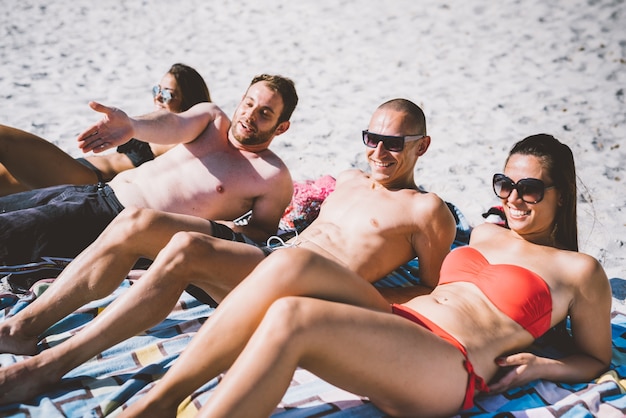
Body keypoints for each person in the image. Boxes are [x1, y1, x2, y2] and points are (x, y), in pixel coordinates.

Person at [116, 134, 610, 417]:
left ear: (560, 194)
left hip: (447, 362)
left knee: (294, 318)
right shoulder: (483, 231)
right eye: (505, 183)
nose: (513, 198)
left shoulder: (580, 270)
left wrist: (546, 368)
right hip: (398, 321)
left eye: (530, 188)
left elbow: (594, 357)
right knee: (293, 262)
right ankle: (163, 399)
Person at [0, 98, 458, 404]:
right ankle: (24, 326)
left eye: (393, 143)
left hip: (307, 284)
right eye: (371, 139)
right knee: (137, 221)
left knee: (186, 249)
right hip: (271, 258)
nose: (378, 151)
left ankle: (49, 365)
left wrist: (368, 301)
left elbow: (429, 288)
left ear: (423, 146)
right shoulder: (350, 178)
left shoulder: (427, 210)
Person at [0, 73, 298, 265]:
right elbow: (173, 124)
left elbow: (260, 232)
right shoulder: (212, 119)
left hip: (114, 223)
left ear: (281, 127)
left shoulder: (271, 176)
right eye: (248, 104)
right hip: (94, 193)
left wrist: (202, 231)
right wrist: (133, 125)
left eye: (264, 113)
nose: (249, 116)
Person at [0, 63, 211, 196]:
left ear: (188, 100)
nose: (157, 97)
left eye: (167, 94)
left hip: (88, 181)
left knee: (5, 141)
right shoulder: (153, 125)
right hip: (77, 167)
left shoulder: (182, 137)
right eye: (157, 89)